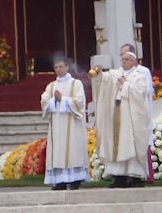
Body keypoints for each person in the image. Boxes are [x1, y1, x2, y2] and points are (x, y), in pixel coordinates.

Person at [92, 51, 150, 188]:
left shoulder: (139, 76)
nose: (123, 61)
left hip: (131, 116)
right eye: (122, 59)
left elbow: (140, 93)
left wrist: (126, 85)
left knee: (129, 142)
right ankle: (118, 176)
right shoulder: (115, 73)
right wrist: (99, 73)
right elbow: (104, 81)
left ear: (134, 62)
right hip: (116, 113)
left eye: (127, 59)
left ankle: (133, 176)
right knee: (116, 143)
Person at [41, 57, 89, 190]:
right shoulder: (51, 86)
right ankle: (61, 181)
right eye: (56, 67)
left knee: (73, 150)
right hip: (57, 126)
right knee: (58, 152)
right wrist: (53, 101)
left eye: (61, 66)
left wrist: (63, 99)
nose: (58, 69)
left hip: (72, 125)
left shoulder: (76, 84)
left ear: (67, 67)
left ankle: (75, 180)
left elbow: (79, 102)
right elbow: (44, 101)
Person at [120, 43, 155, 183]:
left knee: (139, 141)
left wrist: (126, 85)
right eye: (121, 56)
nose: (123, 59)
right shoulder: (120, 72)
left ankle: (141, 175)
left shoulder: (143, 72)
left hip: (139, 111)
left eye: (126, 56)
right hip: (124, 113)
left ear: (134, 57)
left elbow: (144, 91)